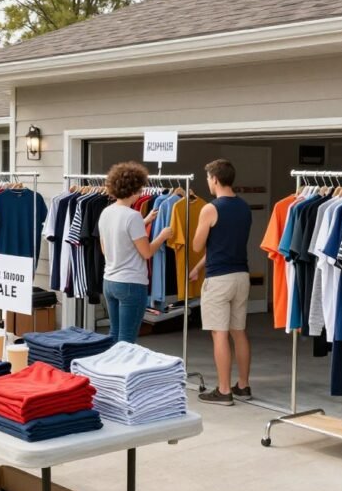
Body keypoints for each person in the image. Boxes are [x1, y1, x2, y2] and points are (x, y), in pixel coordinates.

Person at [190, 159, 253, 406]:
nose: (207, 182)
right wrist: (198, 268)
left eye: (207, 178)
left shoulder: (210, 209)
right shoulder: (244, 207)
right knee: (239, 332)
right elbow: (222, 245)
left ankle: (224, 390)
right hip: (241, 276)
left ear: (215, 179)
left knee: (219, 333)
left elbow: (197, 245)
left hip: (218, 280)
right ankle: (243, 385)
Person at [98, 162, 173, 344]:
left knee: (114, 334)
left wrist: (145, 221)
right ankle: (124, 372)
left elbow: (105, 248)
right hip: (131, 283)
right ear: (135, 189)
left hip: (110, 281)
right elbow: (146, 253)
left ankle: (109, 370)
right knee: (127, 339)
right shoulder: (133, 216)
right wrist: (162, 236)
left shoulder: (106, 212)